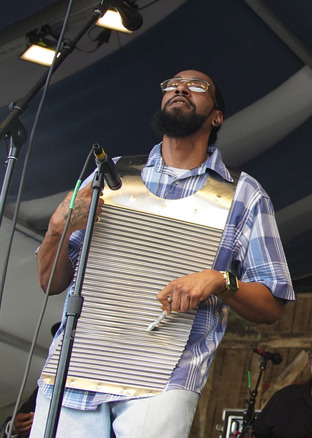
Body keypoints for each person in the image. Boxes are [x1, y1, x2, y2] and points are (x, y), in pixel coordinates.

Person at [29, 69, 295, 437]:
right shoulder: (110, 177)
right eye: (172, 84)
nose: (181, 88)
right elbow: (51, 283)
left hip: (165, 376)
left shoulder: (244, 195)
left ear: (217, 116)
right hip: (77, 369)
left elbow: (271, 305)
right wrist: (58, 228)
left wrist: (219, 280)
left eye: (196, 86)